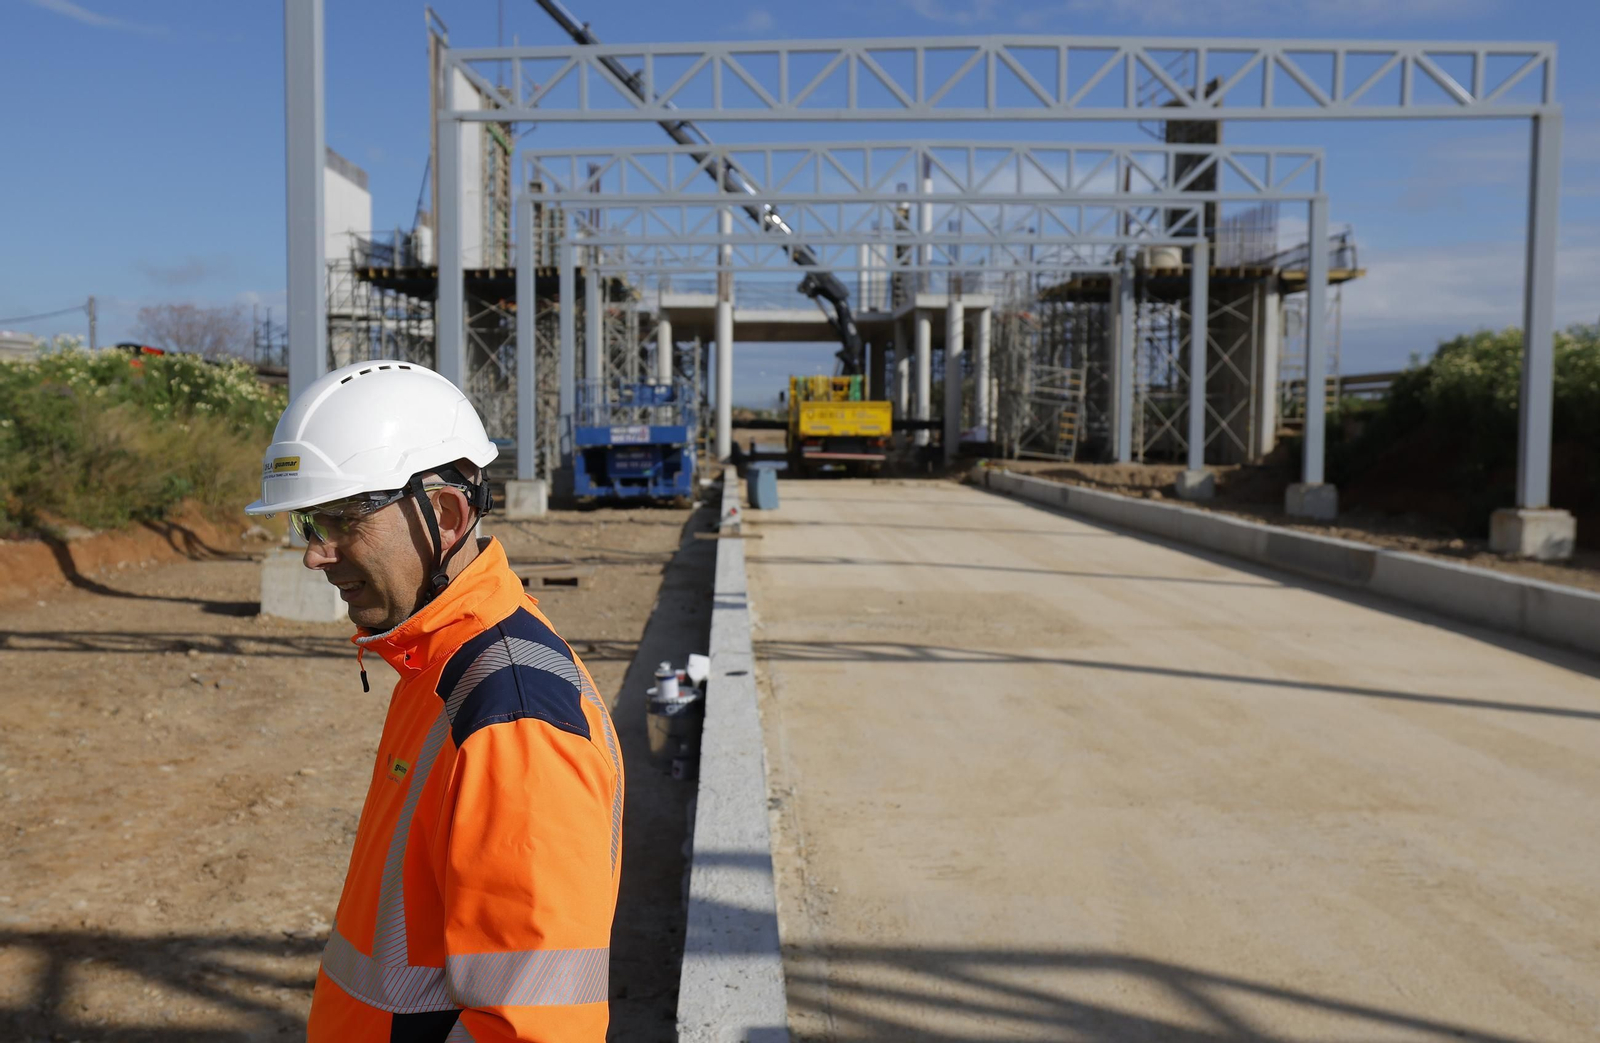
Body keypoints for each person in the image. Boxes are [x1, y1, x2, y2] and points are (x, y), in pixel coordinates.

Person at [246, 360, 623, 1042]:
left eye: (343, 519)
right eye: (308, 521)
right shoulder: (440, 667)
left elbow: (535, 1029)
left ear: (445, 515)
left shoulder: (512, 716)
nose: (315, 553)